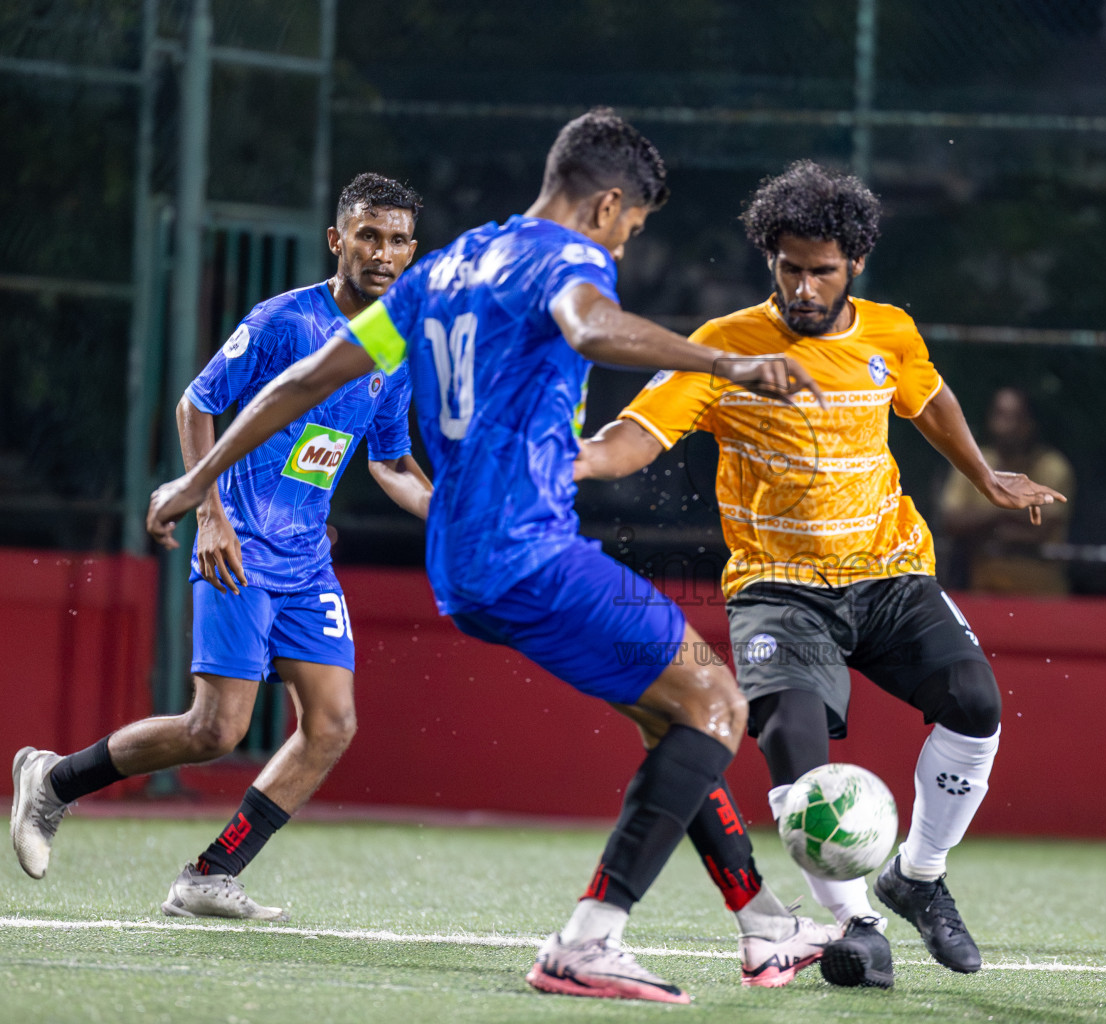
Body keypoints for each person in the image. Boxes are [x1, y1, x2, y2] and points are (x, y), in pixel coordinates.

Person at [143, 110, 833, 1004]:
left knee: (675, 717)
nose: (626, 242)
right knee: (715, 702)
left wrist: (197, 478)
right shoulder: (568, 260)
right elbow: (590, 328)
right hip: (530, 549)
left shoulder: (446, 267)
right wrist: (725, 363)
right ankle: (589, 941)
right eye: (632, 225)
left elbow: (308, 379)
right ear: (609, 202)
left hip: (461, 561)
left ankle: (765, 926)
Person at [575, 160, 1065, 989]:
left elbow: (931, 399)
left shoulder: (889, 332)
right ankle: (856, 922)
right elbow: (636, 438)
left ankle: (918, 874)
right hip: (780, 588)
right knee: (791, 740)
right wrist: (572, 463)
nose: (804, 287)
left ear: (856, 265)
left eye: (822, 270)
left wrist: (984, 476)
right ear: (771, 259)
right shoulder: (723, 347)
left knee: (977, 704)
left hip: (889, 570)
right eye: (789, 268)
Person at [11, 173, 435, 920]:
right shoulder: (285, 320)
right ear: (338, 240)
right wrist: (210, 515)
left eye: (399, 239)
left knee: (332, 724)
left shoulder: (395, 343)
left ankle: (209, 875)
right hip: (235, 548)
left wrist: (450, 512)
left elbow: (389, 461)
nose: (384, 252)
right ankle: (53, 781)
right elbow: (196, 403)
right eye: (369, 235)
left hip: (306, 559)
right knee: (216, 730)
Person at [940, 386, 1075, 594]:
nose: (1006, 426)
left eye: (1015, 417)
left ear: (1031, 423)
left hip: (1041, 595)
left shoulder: (1052, 466)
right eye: (1000, 415)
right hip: (984, 592)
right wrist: (1005, 513)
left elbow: (1042, 528)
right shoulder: (971, 462)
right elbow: (951, 521)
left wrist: (983, 527)